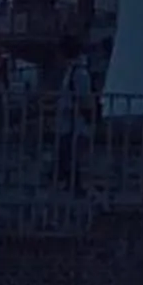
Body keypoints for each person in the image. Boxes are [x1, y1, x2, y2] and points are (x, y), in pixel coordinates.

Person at [52, 43, 97, 193]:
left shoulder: (79, 74)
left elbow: (85, 99)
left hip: (74, 123)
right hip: (67, 123)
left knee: (70, 156)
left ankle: (74, 186)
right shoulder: (72, 72)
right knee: (66, 157)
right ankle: (69, 184)